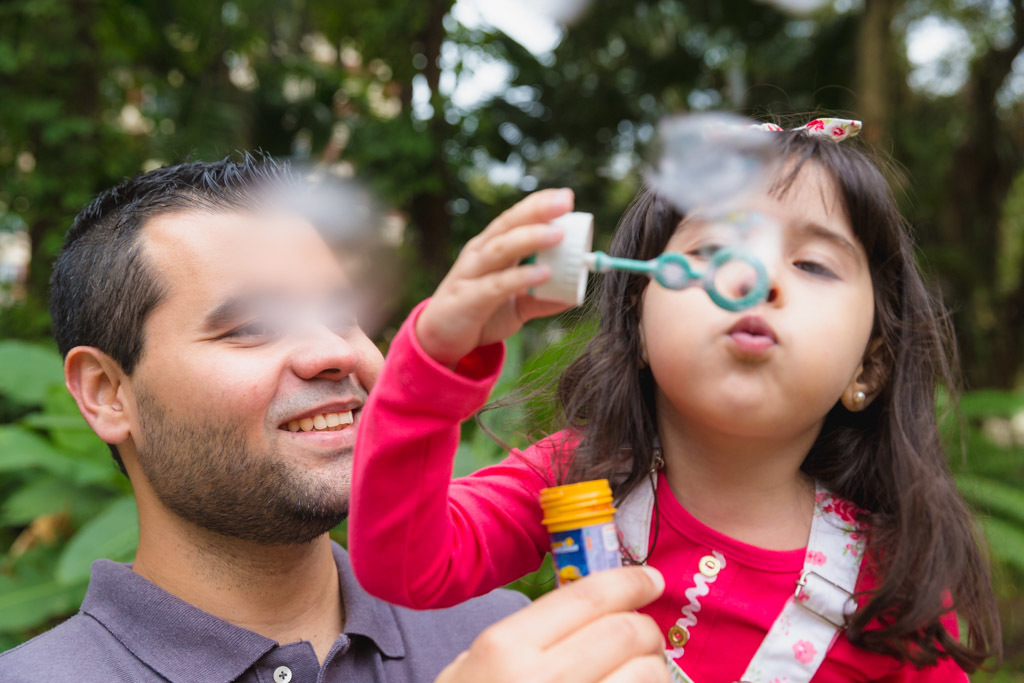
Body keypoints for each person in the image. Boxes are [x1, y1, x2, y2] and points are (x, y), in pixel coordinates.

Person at [348, 121, 1002, 681]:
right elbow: (406, 567)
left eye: (812, 265)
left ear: (869, 365)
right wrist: (437, 361)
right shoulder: (577, 476)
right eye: (716, 250)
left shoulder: (895, 585)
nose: (756, 278)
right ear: (637, 326)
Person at [0, 155, 670, 683]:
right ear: (106, 392)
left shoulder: (515, 635)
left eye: (340, 312)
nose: (334, 350)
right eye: (253, 325)